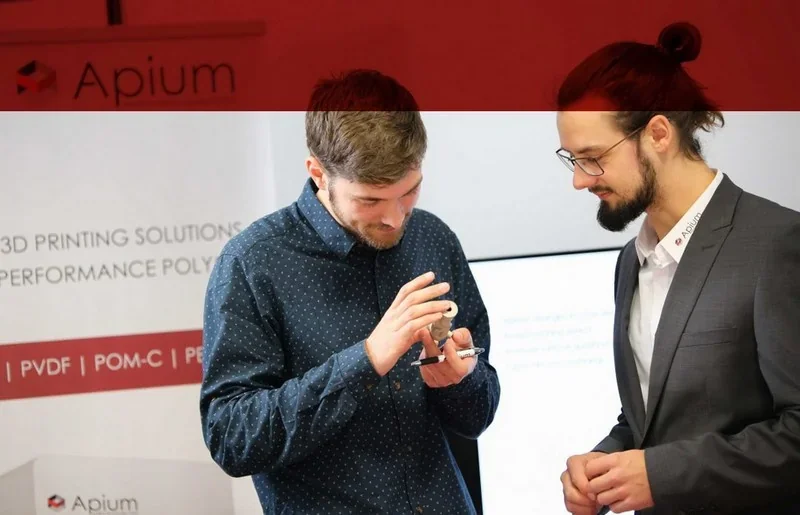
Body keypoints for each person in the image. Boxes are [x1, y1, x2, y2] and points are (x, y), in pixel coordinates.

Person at [199, 69, 500, 515]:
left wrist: (460, 381)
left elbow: (479, 414)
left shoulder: (432, 238)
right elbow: (232, 438)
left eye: (410, 191)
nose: (397, 218)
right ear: (318, 174)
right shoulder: (252, 264)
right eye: (370, 201)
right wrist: (368, 360)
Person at [554, 21, 800, 515]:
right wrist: (605, 464)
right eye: (571, 160)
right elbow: (654, 415)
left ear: (659, 134)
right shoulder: (630, 262)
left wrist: (661, 476)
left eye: (592, 158)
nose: (579, 181)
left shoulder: (778, 243)